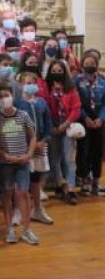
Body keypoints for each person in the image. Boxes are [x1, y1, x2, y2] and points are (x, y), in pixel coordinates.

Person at [0, 83, 39, 245]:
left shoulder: (23, 115)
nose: (4, 99)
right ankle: (9, 229)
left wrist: (28, 154)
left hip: (23, 161)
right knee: (7, 193)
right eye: (0, 97)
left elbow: (33, 136)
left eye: (6, 95)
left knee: (24, 193)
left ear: (12, 95)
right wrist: (4, 154)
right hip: (6, 163)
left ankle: (27, 229)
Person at [15, 72, 53, 224]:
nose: (30, 85)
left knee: (36, 179)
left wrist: (44, 140)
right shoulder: (17, 103)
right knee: (21, 180)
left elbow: (48, 123)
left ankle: (37, 209)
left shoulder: (41, 102)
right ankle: (18, 211)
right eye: (27, 82)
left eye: (33, 82)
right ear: (21, 85)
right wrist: (28, 145)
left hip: (39, 146)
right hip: (24, 147)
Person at [45, 60, 81, 204]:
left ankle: (71, 189)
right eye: (54, 71)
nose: (57, 74)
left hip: (67, 125)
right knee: (54, 159)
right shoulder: (46, 87)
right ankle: (61, 184)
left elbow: (76, 108)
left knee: (69, 159)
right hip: (52, 125)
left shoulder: (70, 88)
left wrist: (66, 124)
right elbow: (43, 107)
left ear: (64, 72)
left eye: (60, 71)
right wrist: (50, 126)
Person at [74, 52, 105, 196]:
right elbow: (76, 102)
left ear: (97, 64)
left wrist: (101, 118)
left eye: (93, 64)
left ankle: (96, 182)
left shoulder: (103, 80)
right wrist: (85, 118)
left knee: (98, 151)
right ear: (82, 64)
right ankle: (84, 180)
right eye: (87, 64)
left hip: (99, 120)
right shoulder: (76, 81)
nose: (90, 66)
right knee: (83, 151)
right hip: (83, 119)